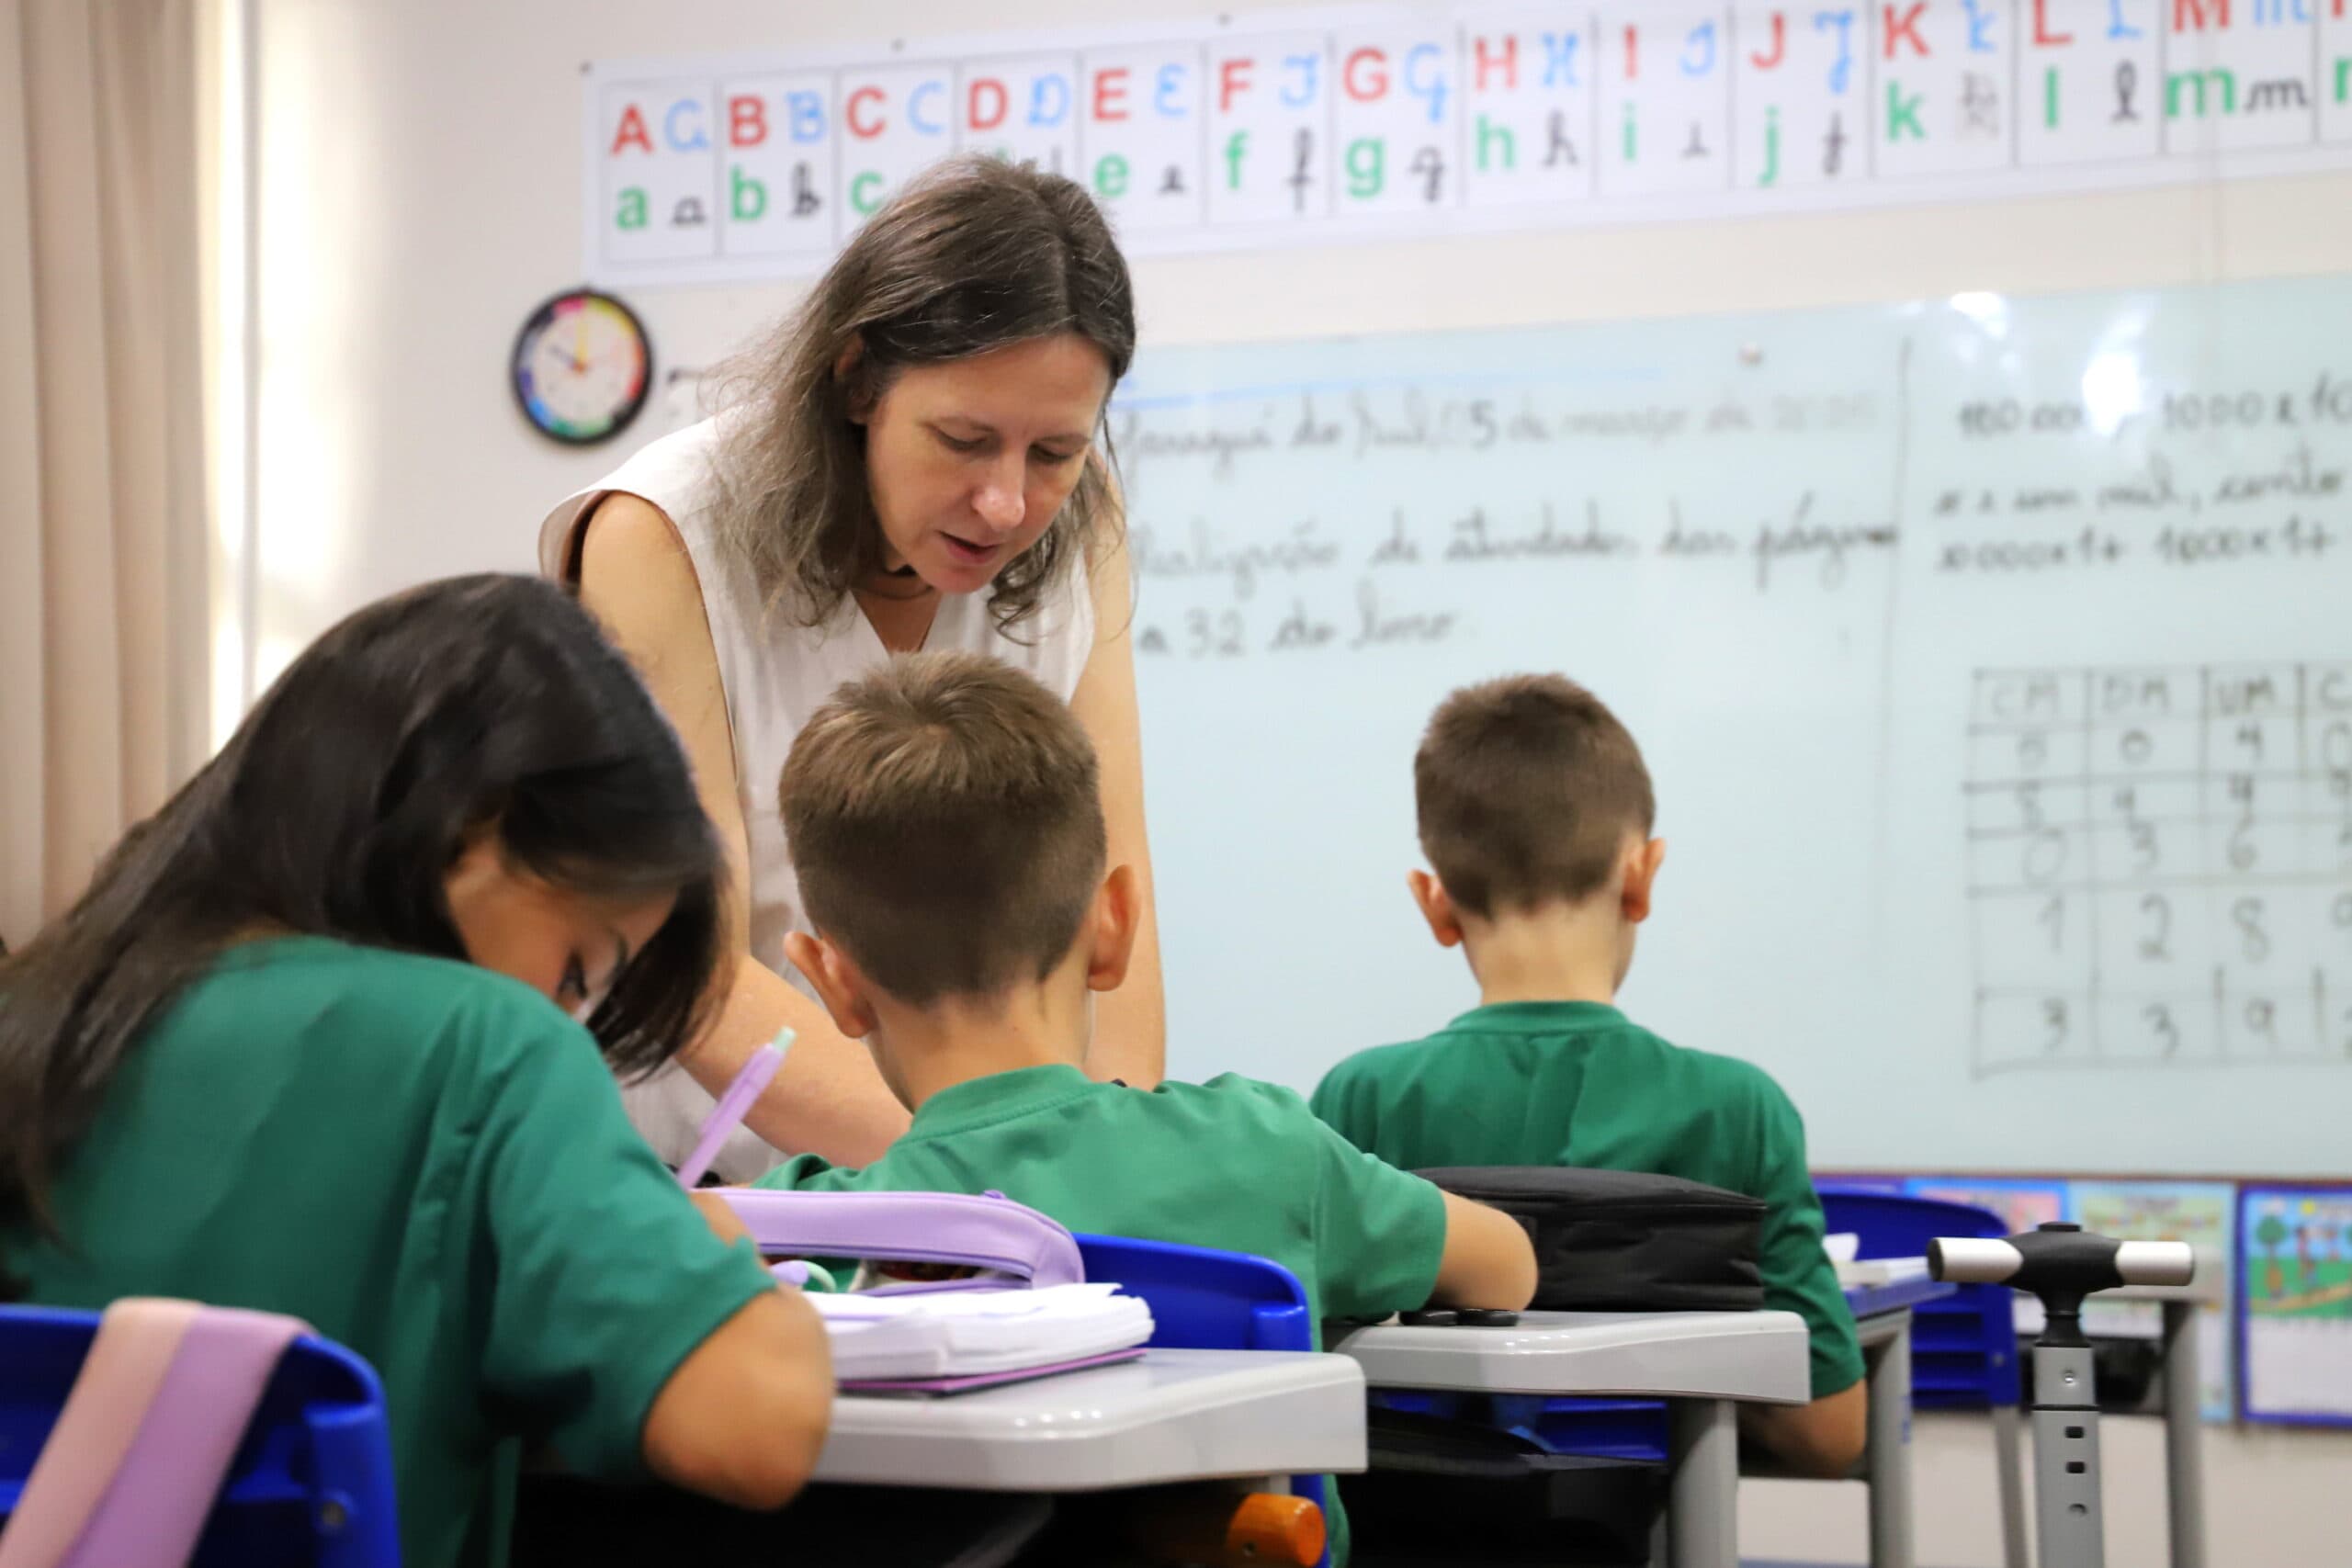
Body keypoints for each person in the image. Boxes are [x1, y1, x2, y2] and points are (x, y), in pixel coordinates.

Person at [0, 576, 833, 1568]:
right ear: (473, 828)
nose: (563, 1015)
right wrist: (729, 1268)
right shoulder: (483, 1045)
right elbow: (754, 1426)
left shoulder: (42, 1015)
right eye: (577, 970)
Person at [745, 650, 1537, 1566]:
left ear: (831, 982)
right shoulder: (1263, 1148)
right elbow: (1506, 1266)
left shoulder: (815, 1245)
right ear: (1115, 922)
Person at [541, 155, 1161, 1179]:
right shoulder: (659, 536)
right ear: (856, 379)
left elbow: (1110, 891)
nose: (1007, 502)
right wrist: (987, 1178)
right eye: (963, 440)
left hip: (984, 1185)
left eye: (1052, 452)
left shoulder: (1083, 516)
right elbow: (685, 956)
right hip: (706, 1186)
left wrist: (1123, 1164)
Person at [1310, 674, 1867, 1477]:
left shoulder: (1358, 1099)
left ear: (1434, 903)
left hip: (1422, 1534)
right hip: (1652, 1533)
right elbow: (1830, 1433)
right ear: (1641, 876)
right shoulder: (1739, 1110)